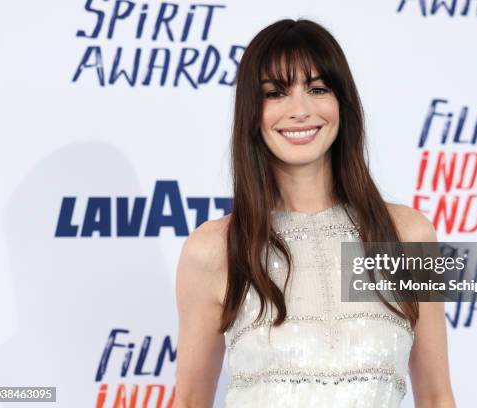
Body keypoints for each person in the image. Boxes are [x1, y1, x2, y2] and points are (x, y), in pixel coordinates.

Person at [174, 18, 455, 408]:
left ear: (342, 103)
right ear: (253, 112)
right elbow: (189, 401)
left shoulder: (407, 236)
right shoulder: (214, 250)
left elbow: (437, 396)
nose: (300, 110)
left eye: (318, 88)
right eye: (276, 93)